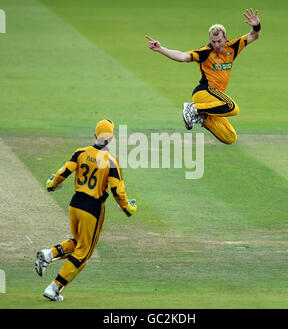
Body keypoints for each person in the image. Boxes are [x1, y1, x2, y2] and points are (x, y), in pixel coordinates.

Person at [35, 119, 137, 301]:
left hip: (75, 204)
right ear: (111, 139)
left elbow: (64, 172)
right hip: (93, 209)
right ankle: (54, 287)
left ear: (95, 135)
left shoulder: (80, 152)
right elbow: (117, 191)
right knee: (84, 253)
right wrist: (128, 208)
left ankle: (50, 254)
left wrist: (53, 184)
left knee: (79, 242)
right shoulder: (111, 161)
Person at [146, 8, 261, 144]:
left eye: (219, 41)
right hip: (204, 92)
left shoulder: (233, 46)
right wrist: (161, 49)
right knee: (232, 108)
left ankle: (203, 117)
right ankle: (193, 108)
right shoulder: (205, 52)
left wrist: (256, 26)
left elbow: (253, 36)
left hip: (213, 102)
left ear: (225, 37)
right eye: (213, 41)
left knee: (230, 137)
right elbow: (183, 56)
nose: (216, 45)